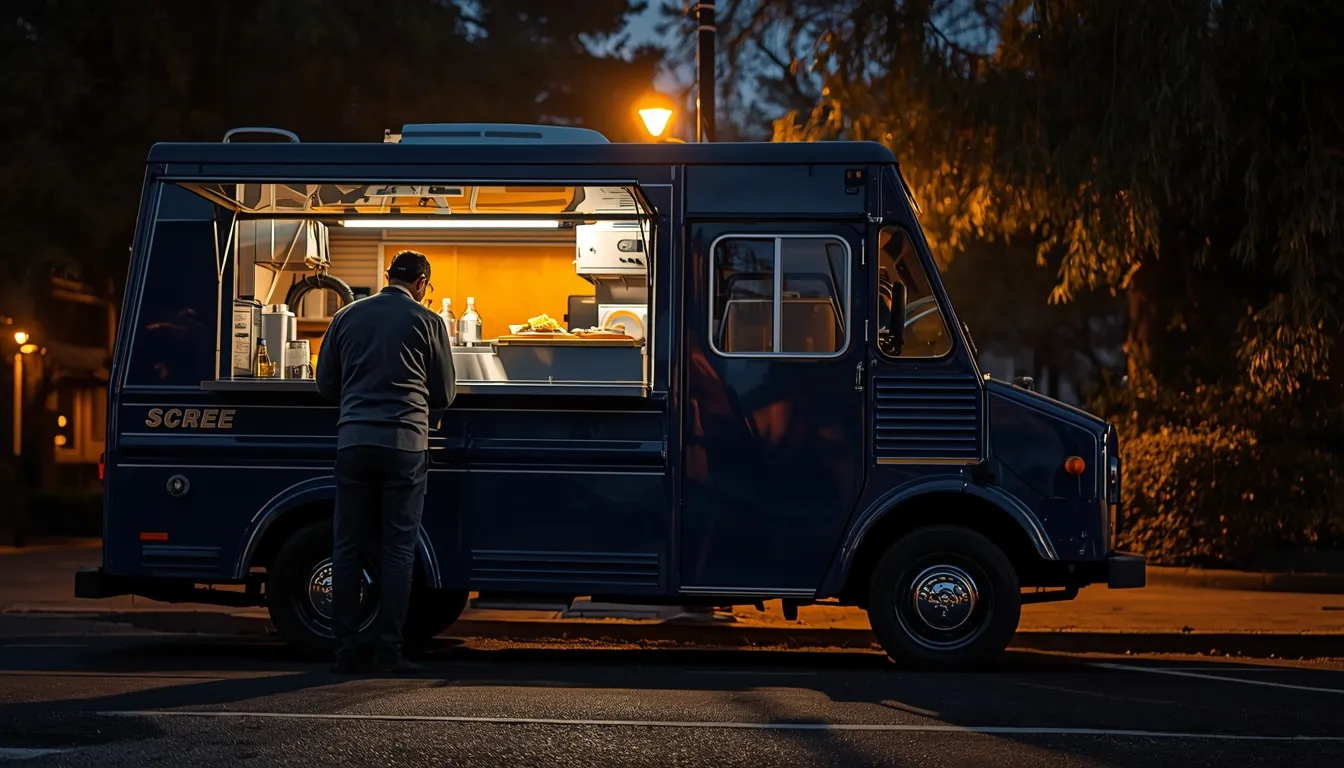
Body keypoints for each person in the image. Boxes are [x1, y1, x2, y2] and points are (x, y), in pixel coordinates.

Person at [316, 250, 456, 673]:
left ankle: (345, 650)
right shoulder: (429, 322)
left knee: (347, 547)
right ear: (422, 284)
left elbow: (325, 385)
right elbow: (444, 393)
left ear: (387, 277)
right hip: (405, 445)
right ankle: (388, 652)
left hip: (354, 442)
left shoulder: (346, 317)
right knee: (397, 549)